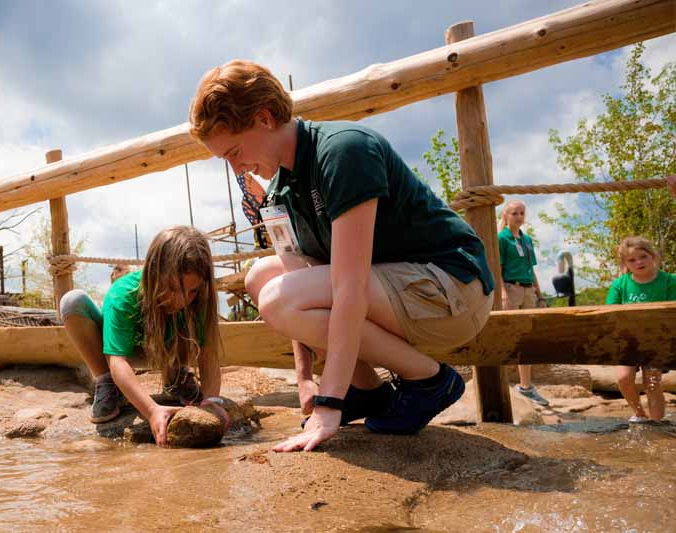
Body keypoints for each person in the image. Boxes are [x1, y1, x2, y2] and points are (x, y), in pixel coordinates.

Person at [189, 60, 495, 452]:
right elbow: (302, 288)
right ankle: (366, 389)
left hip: (453, 291)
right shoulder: (281, 189)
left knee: (278, 295)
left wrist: (328, 404)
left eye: (234, 152)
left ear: (264, 118)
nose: (236, 168)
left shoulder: (343, 151)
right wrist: (305, 379)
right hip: (397, 293)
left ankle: (430, 381)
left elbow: (348, 285)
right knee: (260, 277)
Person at [60, 225, 222, 446]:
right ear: (153, 273)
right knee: (72, 301)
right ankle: (106, 383)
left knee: (189, 312)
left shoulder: (201, 298)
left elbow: (208, 352)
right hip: (123, 353)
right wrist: (151, 410)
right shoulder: (123, 294)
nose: (181, 301)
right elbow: (118, 360)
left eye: (191, 291)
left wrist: (211, 402)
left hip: (167, 350)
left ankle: (177, 375)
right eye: (172, 288)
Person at [606, 235, 675, 423]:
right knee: (623, 378)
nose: (638, 262)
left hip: (658, 342)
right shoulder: (620, 284)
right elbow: (609, 314)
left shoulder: (669, 281)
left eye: (643, 256)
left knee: (651, 382)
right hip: (628, 341)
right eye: (632, 260)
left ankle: (657, 424)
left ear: (652, 256)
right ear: (625, 264)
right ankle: (639, 414)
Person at [497, 200, 550, 407]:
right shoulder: (502, 238)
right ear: (506, 216)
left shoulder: (527, 239)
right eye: (514, 213)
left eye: (521, 213)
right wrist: (503, 293)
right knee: (509, 335)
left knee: (526, 337)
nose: (519, 216)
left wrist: (541, 295)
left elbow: (532, 269)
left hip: (529, 290)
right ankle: (500, 384)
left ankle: (526, 386)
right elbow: (498, 267)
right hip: (511, 289)